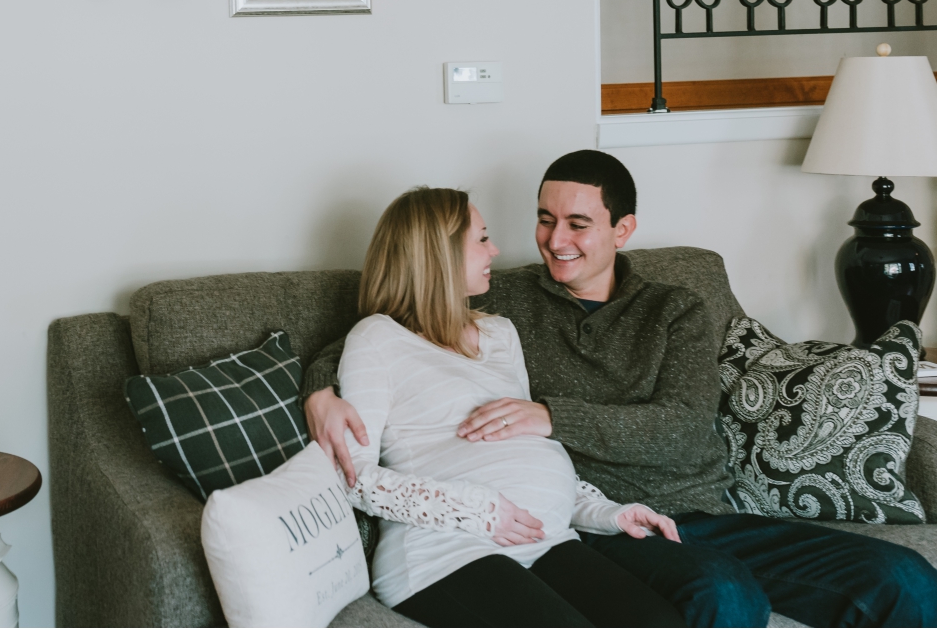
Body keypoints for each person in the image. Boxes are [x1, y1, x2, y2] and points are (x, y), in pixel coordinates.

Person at [306, 151, 937, 627]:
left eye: (579, 224)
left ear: (623, 229)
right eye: (545, 220)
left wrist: (552, 416)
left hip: (695, 512)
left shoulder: (676, 309)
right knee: (722, 594)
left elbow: (687, 430)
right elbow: (390, 328)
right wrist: (319, 392)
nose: (556, 241)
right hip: (598, 527)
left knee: (904, 577)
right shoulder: (506, 301)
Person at [336, 185, 684, 628]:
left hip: (545, 540)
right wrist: (478, 509)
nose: (495, 249)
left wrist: (609, 512)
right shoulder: (377, 339)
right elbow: (353, 479)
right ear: (437, 253)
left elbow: (526, 456)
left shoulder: (500, 334)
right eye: (482, 238)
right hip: (447, 551)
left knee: (660, 622)